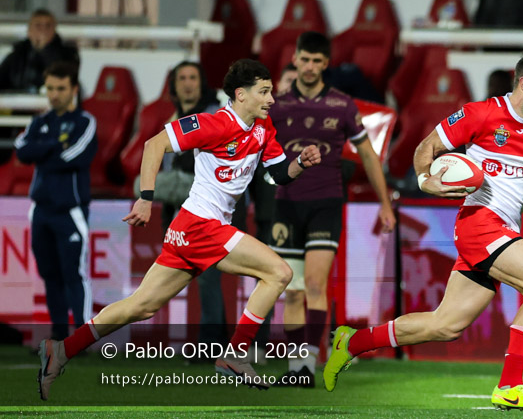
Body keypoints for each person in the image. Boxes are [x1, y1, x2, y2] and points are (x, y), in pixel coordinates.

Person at [36, 59, 322, 401]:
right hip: (201, 225)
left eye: (271, 91)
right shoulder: (213, 123)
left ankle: (61, 350)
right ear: (241, 95)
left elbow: (277, 174)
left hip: (193, 228)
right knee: (279, 272)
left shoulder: (262, 127)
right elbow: (153, 145)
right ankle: (235, 354)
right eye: (264, 92)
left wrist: (300, 163)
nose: (271, 99)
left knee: (140, 306)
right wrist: (145, 199)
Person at [322, 49, 523, 410]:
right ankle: (510, 385)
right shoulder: (481, 114)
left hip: (501, 229)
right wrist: (424, 179)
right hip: (480, 223)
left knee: (445, 325)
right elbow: (427, 146)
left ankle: (351, 343)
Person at [269, 31, 396, 388]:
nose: (310, 66)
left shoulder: (342, 105)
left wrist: (385, 203)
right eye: (304, 59)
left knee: (314, 283)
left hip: (326, 203)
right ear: (295, 59)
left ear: (325, 63)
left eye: (316, 61)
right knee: (292, 289)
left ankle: (308, 364)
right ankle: (295, 368)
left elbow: (368, 155)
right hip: (286, 204)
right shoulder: (277, 106)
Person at [157, 61, 235, 357]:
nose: (188, 83)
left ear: (202, 83)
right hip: (178, 209)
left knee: (207, 279)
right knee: (193, 279)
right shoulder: (174, 117)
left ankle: (211, 346)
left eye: (193, 77)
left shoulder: (215, 115)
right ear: (174, 85)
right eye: (182, 78)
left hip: (210, 209)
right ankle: (215, 342)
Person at [14, 62, 96, 341]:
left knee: (74, 273)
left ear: (74, 89)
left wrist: (41, 151)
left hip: (69, 211)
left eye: (61, 88)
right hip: (41, 210)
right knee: (49, 274)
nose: (54, 94)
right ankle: (59, 333)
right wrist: (53, 146)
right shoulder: (39, 121)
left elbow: (74, 156)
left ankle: (84, 337)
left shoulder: (85, 121)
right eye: (50, 88)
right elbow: (21, 151)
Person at [0, 9, 80, 93]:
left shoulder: (68, 54)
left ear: (54, 29)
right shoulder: (16, 55)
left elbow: (67, 78)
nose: (43, 30)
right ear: (29, 30)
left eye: (48, 26)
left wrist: (45, 49)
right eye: (38, 26)